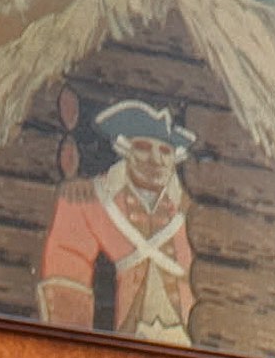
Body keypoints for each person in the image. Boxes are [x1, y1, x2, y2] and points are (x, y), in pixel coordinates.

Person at [36, 100, 201, 344]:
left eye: (165, 151)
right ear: (125, 149)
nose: (156, 160)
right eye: (143, 147)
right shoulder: (91, 200)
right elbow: (66, 273)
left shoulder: (190, 212)